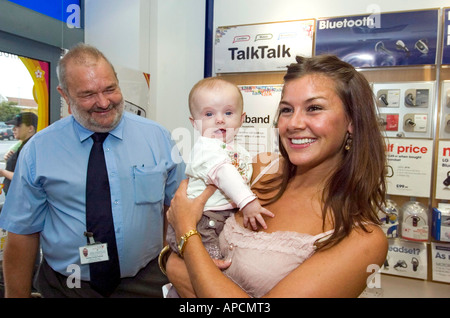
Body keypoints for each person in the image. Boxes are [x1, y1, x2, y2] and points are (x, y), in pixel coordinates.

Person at [165, 54, 389, 298]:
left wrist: (185, 232)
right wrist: (169, 257)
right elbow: (188, 225)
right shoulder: (259, 170)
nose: (293, 123)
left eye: (314, 108)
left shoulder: (363, 239)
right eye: (286, 109)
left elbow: (183, 232)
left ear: (352, 121)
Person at [0, 43, 185, 298]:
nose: (103, 102)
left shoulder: (158, 138)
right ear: (64, 95)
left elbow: (176, 209)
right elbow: (22, 232)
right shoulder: (38, 151)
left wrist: (176, 266)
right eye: (88, 94)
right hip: (66, 287)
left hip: (146, 280)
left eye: (110, 89)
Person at [166, 77, 273, 263]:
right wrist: (248, 202)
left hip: (221, 213)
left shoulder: (238, 149)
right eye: (208, 114)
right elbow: (225, 174)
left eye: (228, 112)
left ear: (241, 119)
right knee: (209, 257)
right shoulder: (206, 148)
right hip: (204, 217)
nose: (220, 120)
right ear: (194, 123)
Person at [0, 112, 38, 195]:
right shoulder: (23, 145)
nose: (13, 129)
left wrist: (3, 172)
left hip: (20, 200)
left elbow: (25, 178)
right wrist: (9, 159)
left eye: (18, 126)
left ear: (30, 128)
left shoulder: (31, 148)